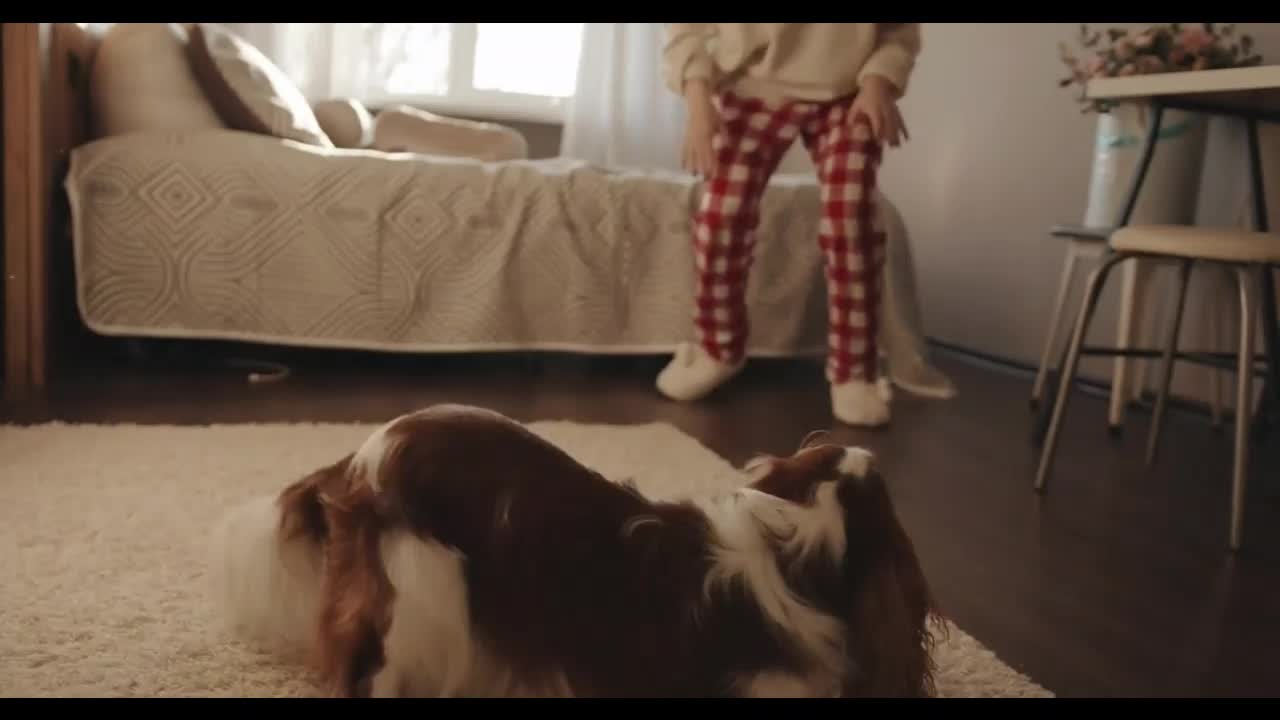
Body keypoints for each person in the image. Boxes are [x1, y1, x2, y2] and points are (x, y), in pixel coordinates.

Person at [655, 23, 922, 427]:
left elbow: (897, 31)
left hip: (847, 90)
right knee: (721, 218)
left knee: (853, 223)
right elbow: (685, 29)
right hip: (749, 84)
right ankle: (718, 347)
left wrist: (878, 82)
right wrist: (697, 100)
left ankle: (854, 369)